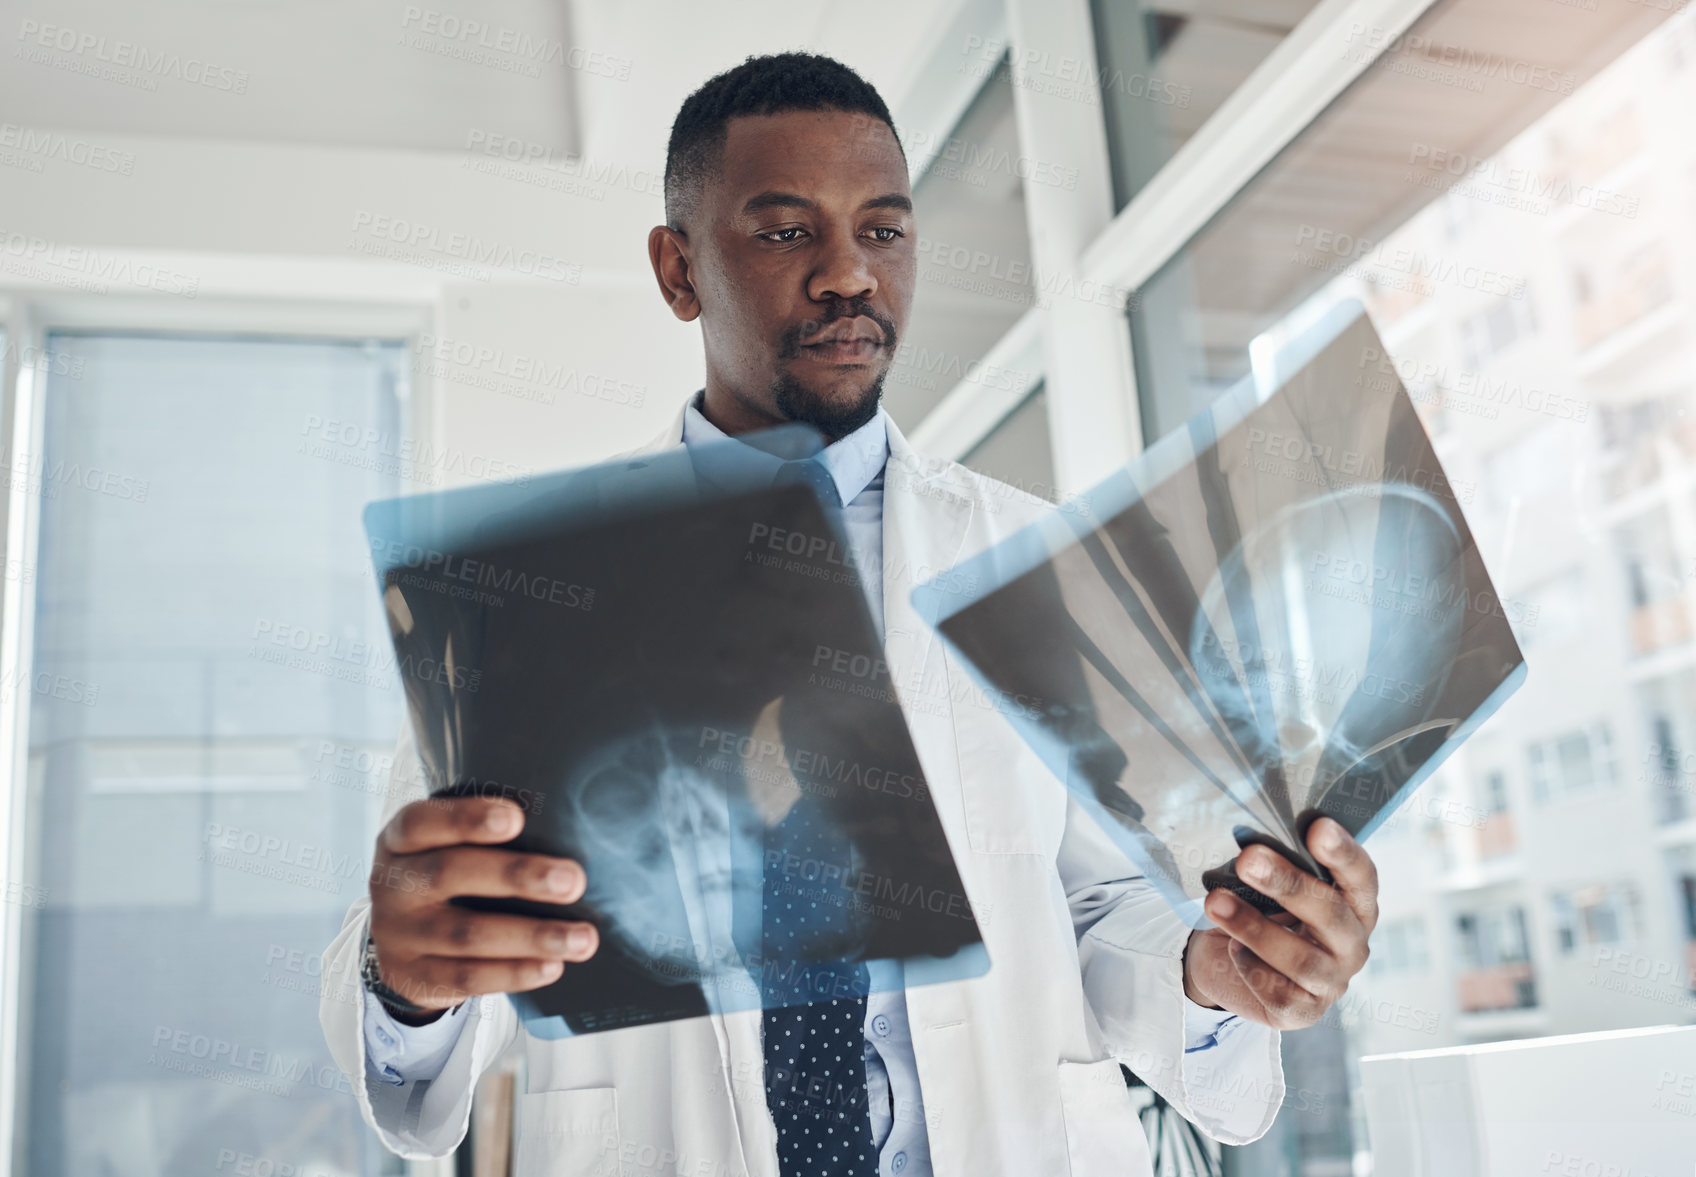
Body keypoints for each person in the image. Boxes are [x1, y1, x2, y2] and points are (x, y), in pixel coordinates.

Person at [321, 51, 1380, 1177]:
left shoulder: (1035, 560)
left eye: (883, 230)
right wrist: (409, 978)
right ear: (678, 270)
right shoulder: (523, 597)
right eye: (785, 232)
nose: (847, 275)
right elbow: (427, 978)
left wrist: (1211, 975)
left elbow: (1095, 900)